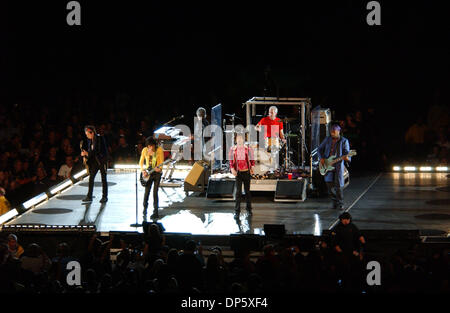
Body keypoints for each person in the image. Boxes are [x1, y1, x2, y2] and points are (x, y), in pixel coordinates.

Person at [317, 124, 351, 210]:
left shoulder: (344, 141)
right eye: (331, 132)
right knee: (329, 185)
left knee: (338, 186)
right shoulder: (327, 139)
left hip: (338, 166)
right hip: (327, 164)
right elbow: (319, 149)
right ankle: (334, 201)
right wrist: (321, 158)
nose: (332, 133)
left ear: (338, 131)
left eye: (334, 132)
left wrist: (347, 158)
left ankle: (340, 203)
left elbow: (347, 153)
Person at [229, 133, 255, 216]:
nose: (239, 140)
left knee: (247, 192)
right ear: (236, 139)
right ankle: (237, 211)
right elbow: (230, 160)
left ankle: (249, 209)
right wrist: (232, 168)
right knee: (238, 193)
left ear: (244, 139)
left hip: (246, 172)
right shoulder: (233, 149)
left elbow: (252, 159)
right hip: (238, 173)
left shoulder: (248, 148)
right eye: (238, 138)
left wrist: (252, 167)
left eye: (241, 138)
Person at [81, 125, 108, 203]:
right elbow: (91, 152)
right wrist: (85, 154)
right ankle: (89, 196)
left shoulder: (99, 138)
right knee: (91, 177)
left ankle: (104, 196)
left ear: (91, 132)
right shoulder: (90, 140)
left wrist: (87, 153)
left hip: (102, 161)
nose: (87, 136)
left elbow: (97, 151)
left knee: (103, 179)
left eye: (87, 134)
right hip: (95, 162)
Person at [140, 137, 164, 219]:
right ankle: (144, 209)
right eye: (149, 146)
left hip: (157, 174)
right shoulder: (144, 150)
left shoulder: (159, 150)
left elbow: (161, 162)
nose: (150, 147)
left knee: (155, 192)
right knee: (147, 192)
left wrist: (159, 169)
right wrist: (143, 170)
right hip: (148, 173)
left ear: (154, 145)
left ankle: (156, 212)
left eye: (152, 146)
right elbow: (141, 162)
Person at [255, 106, 286, 171]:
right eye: (269, 112)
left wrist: (283, 138)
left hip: (275, 140)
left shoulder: (279, 121)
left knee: (273, 154)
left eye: (271, 112)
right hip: (266, 140)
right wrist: (259, 129)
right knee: (267, 155)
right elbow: (256, 127)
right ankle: (268, 168)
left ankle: (273, 168)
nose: (270, 114)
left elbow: (281, 132)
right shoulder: (264, 119)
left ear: (275, 113)